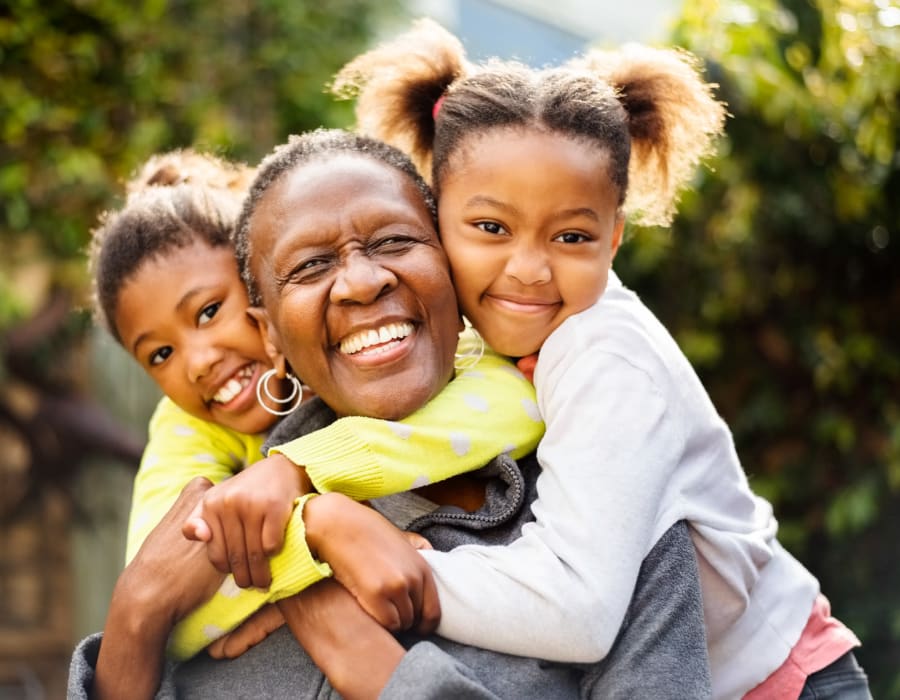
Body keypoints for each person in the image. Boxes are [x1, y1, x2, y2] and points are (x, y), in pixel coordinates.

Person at [329, 18, 871, 699]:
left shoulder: (605, 356)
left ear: (613, 239)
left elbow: (579, 610)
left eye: (571, 235)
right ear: (435, 217)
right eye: (491, 228)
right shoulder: (478, 340)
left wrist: (411, 571)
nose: (528, 269)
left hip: (783, 684)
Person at [68, 128, 712, 699]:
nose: (360, 281)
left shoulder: (609, 516)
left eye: (396, 241)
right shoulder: (232, 534)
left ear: (454, 268)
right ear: (269, 334)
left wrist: (374, 667)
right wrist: (138, 614)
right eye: (311, 265)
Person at [85, 149, 544, 661]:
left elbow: (517, 403)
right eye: (161, 354)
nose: (196, 362)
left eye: (211, 311)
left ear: (262, 283)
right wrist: (314, 544)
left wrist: (302, 472)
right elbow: (160, 585)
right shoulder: (185, 426)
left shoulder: (423, 343)